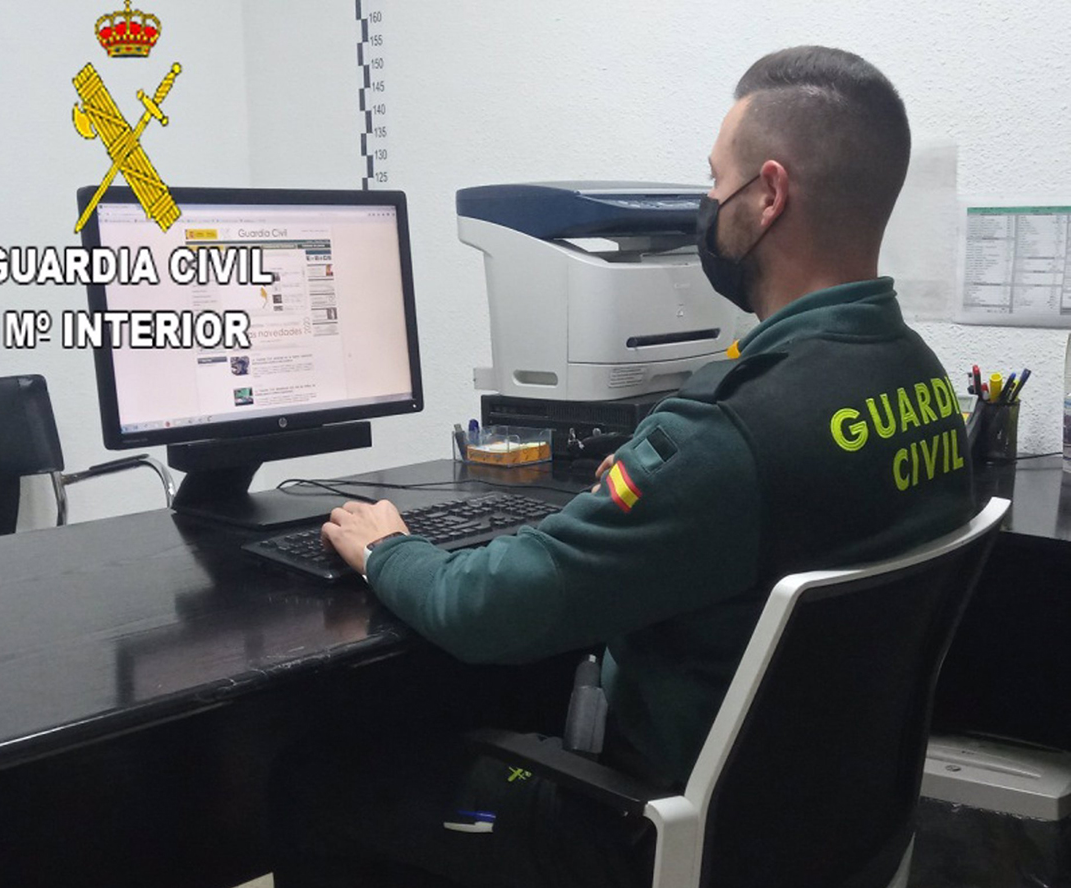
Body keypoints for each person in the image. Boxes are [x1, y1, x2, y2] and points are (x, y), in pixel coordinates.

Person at [271, 45, 975, 887]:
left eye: (715, 181)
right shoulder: (918, 376)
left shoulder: (732, 427)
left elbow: (486, 610)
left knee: (318, 780)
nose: (707, 206)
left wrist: (390, 549)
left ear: (769, 195)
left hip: (650, 832)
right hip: (824, 830)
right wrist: (663, 483)